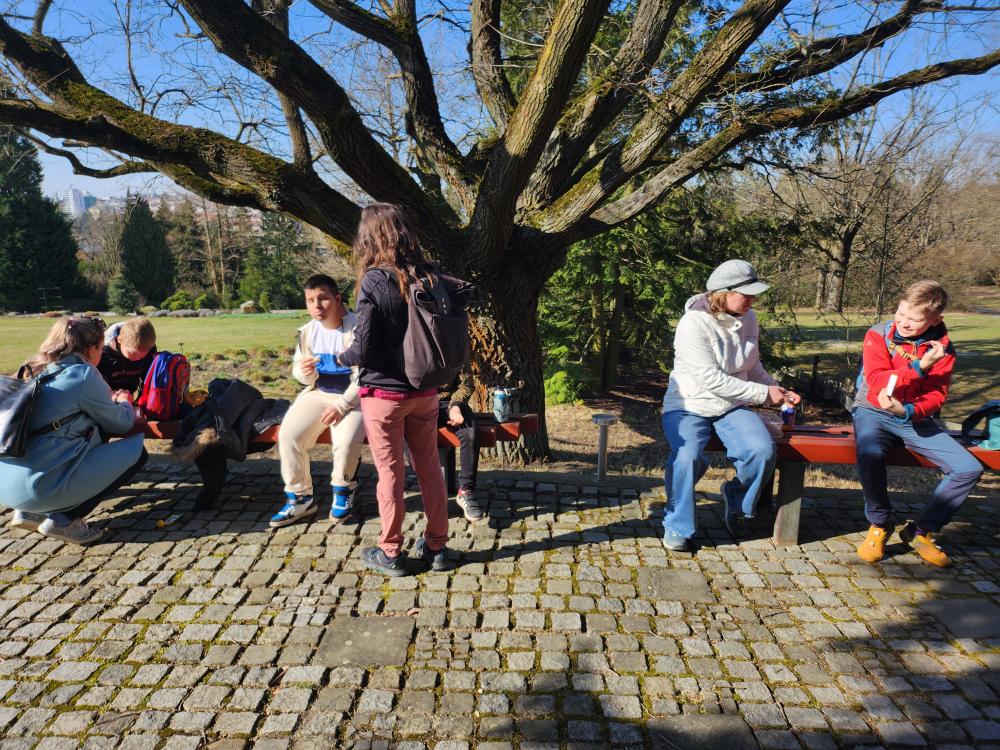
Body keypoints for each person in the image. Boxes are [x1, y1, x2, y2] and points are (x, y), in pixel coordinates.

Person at [338, 203, 451, 576]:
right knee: (430, 469)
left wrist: (341, 357)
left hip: (384, 397)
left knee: (390, 474)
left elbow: (364, 348)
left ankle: (390, 552)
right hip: (425, 391)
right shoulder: (429, 274)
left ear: (369, 238)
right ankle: (437, 547)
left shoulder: (374, 280)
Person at [660, 259, 799, 552]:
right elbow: (710, 379)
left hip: (731, 405)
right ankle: (677, 525)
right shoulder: (693, 323)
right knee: (686, 457)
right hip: (688, 404)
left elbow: (752, 365)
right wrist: (763, 394)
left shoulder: (750, 318)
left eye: (754, 294)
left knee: (761, 451)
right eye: (747, 294)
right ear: (723, 292)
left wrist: (778, 389)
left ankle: (735, 499)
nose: (753, 300)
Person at [853, 280, 982, 567]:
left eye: (914, 319)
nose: (903, 322)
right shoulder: (878, 334)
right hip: (872, 411)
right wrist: (919, 366)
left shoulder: (943, 350)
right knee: (870, 454)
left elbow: (937, 396)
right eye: (900, 313)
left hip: (914, 418)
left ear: (935, 320)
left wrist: (908, 411)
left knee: (968, 468)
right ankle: (880, 524)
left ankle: (921, 530)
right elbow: (876, 381)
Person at [2, 317, 147, 545]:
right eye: (101, 348)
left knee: (89, 431)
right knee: (138, 452)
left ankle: (30, 512)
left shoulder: (35, 367)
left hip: (7, 484)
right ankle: (64, 520)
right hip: (39, 487)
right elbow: (121, 423)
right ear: (90, 349)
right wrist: (124, 403)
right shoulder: (83, 373)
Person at [270, 274, 366, 527]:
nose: (317, 306)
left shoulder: (358, 328)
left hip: (355, 399)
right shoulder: (307, 332)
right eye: (310, 300)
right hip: (318, 393)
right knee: (289, 435)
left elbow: (367, 376)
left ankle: (343, 490)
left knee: (345, 440)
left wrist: (341, 405)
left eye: (323, 298)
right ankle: (300, 497)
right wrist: (305, 372)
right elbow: (300, 372)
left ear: (337, 298)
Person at [439, 363, 486, 523]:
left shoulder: (457, 348)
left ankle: (466, 490)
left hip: (452, 402)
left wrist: (455, 406)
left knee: (470, 432)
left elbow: (467, 384)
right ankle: (431, 491)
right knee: (412, 435)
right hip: (420, 402)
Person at [98, 317, 157, 396]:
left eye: (143, 354)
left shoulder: (149, 348)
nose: (137, 358)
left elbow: (148, 378)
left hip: (129, 393)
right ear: (119, 340)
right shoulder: (102, 353)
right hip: (104, 395)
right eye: (133, 353)